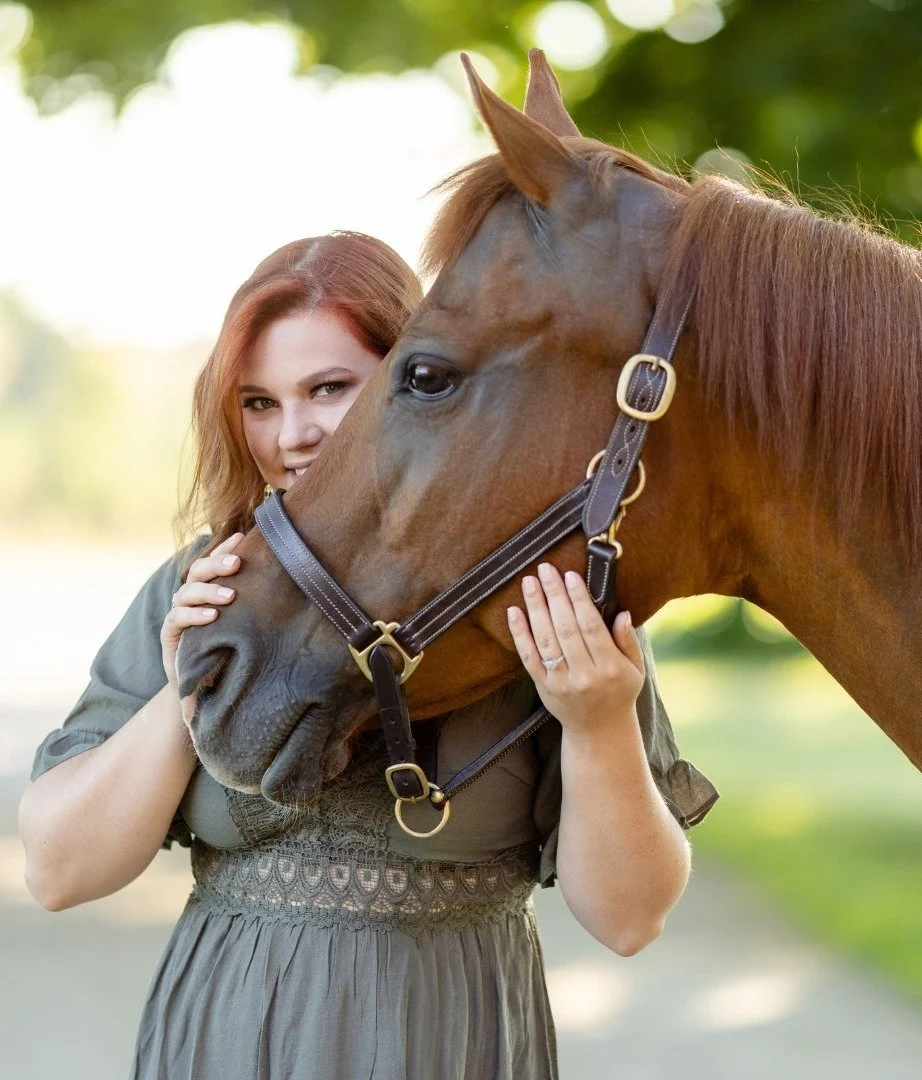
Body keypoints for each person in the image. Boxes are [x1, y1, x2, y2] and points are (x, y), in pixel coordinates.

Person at [18, 231, 718, 1080]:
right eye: (259, 402)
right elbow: (58, 870)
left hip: (454, 1044)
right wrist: (187, 684)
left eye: (330, 389)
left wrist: (600, 723)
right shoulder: (205, 584)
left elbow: (629, 920)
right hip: (228, 1041)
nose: (295, 434)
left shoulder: (535, 587)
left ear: (413, 384)